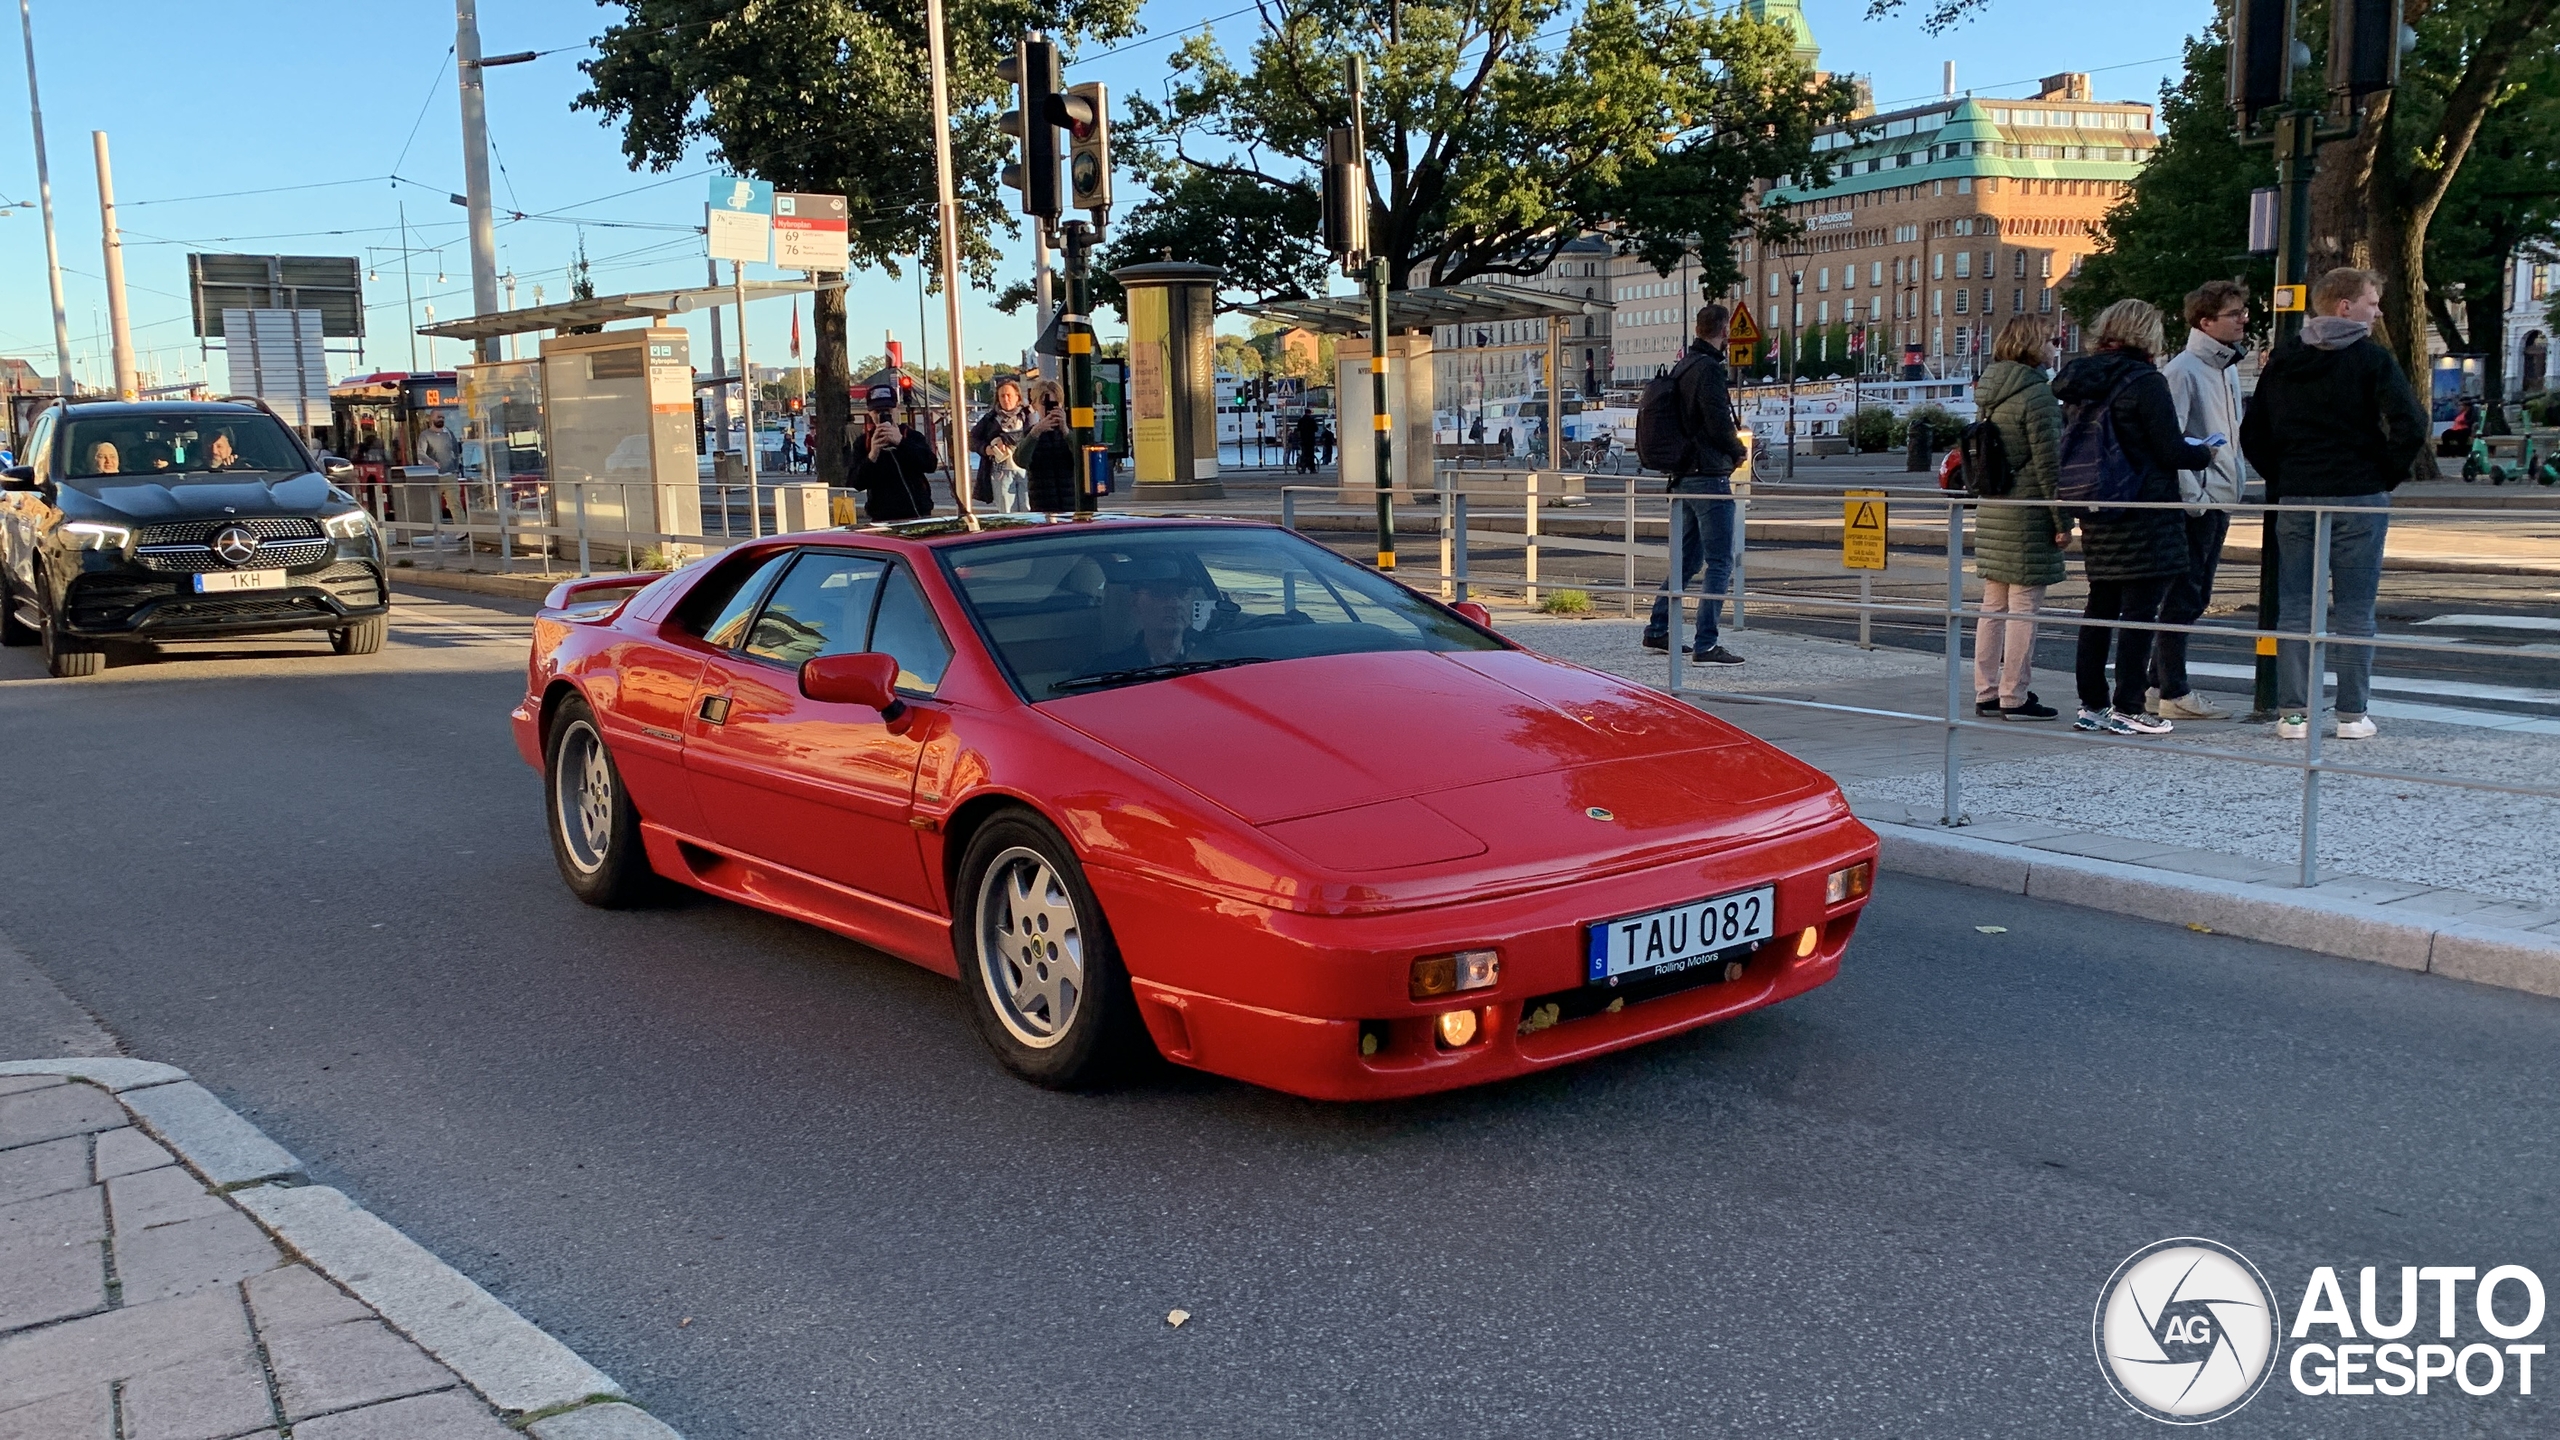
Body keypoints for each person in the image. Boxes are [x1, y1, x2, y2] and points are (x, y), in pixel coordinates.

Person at [2239, 266, 2429, 741]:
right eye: (2371, 300)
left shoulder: (2283, 360)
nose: (2378, 310)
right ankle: (2351, 714)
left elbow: (2253, 432)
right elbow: (2409, 422)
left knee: (2297, 607)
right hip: (2358, 494)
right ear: (2345, 307)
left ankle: (2294, 715)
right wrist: (2385, 472)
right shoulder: (2372, 361)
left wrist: (2281, 477)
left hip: (2297, 494)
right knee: (2354, 608)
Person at [2051, 298, 2216, 736]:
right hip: (2144, 507)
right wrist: (2205, 452)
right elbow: (2168, 449)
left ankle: (2091, 704)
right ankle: (2129, 704)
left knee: (2100, 604)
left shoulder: (2082, 382)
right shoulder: (2146, 381)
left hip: (2097, 504)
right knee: (2142, 610)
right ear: (2147, 334)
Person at [2148, 280, 2251, 721]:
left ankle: (2158, 684)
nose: (2243, 319)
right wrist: (2195, 497)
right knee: (2184, 595)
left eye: (2243, 311)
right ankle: (2174, 688)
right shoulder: (2185, 370)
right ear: (2205, 322)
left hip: (2220, 493)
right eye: (2234, 314)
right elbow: (2172, 441)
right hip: (2201, 499)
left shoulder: (2226, 367)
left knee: (2195, 592)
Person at [1641, 303, 1751, 665]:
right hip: (1708, 475)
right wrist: (1737, 450)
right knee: (1720, 562)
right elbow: (1718, 421)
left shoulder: (1684, 364)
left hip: (1683, 475)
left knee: (1686, 560)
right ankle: (1706, 644)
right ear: (1724, 331)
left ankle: (1658, 629)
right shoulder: (1709, 370)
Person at [1970, 314, 2067, 721]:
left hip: (1994, 507)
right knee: (2024, 607)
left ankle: (1986, 690)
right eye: (2050, 339)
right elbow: (2048, 465)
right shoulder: (2037, 396)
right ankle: (2015, 695)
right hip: (2027, 511)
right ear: (2032, 344)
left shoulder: (1989, 391)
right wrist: (2061, 521)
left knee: (1993, 607)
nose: (2055, 346)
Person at [1085, 559, 1198, 674]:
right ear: (1135, 603)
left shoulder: (1212, 656)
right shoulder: (1108, 671)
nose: (1175, 604)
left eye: (1182, 593)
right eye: (1159, 593)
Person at [852, 383, 938, 522]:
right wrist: (873, 454)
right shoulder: (864, 442)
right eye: (877, 412)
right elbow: (856, 483)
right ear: (869, 412)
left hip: (917, 512)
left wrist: (901, 442)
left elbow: (930, 465)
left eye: (888, 411)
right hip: (882, 515)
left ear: (896, 408)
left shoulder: (912, 436)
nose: (883, 416)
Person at [969, 375, 1032, 513]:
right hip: (1001, 471)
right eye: (1002, 396)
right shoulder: (990, 419)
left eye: (1009, 395)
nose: (1006, 399)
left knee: (1029, 511)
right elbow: (971, 440)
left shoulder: (1029, 416)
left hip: (1026, 470)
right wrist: (987, 449)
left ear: (1017, 397)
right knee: (1007, 512)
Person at [1019, 379, 1081, 512]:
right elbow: (1021, 461)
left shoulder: (1071, 432)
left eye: (1055, 403)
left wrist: (1065, 431)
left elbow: (1082, 459)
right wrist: (1035, 433)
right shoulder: (1031, 434)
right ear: (1035, 405)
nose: (1049, 409)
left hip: (1071, 505)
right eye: (1044, 404)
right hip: (1042, 505)